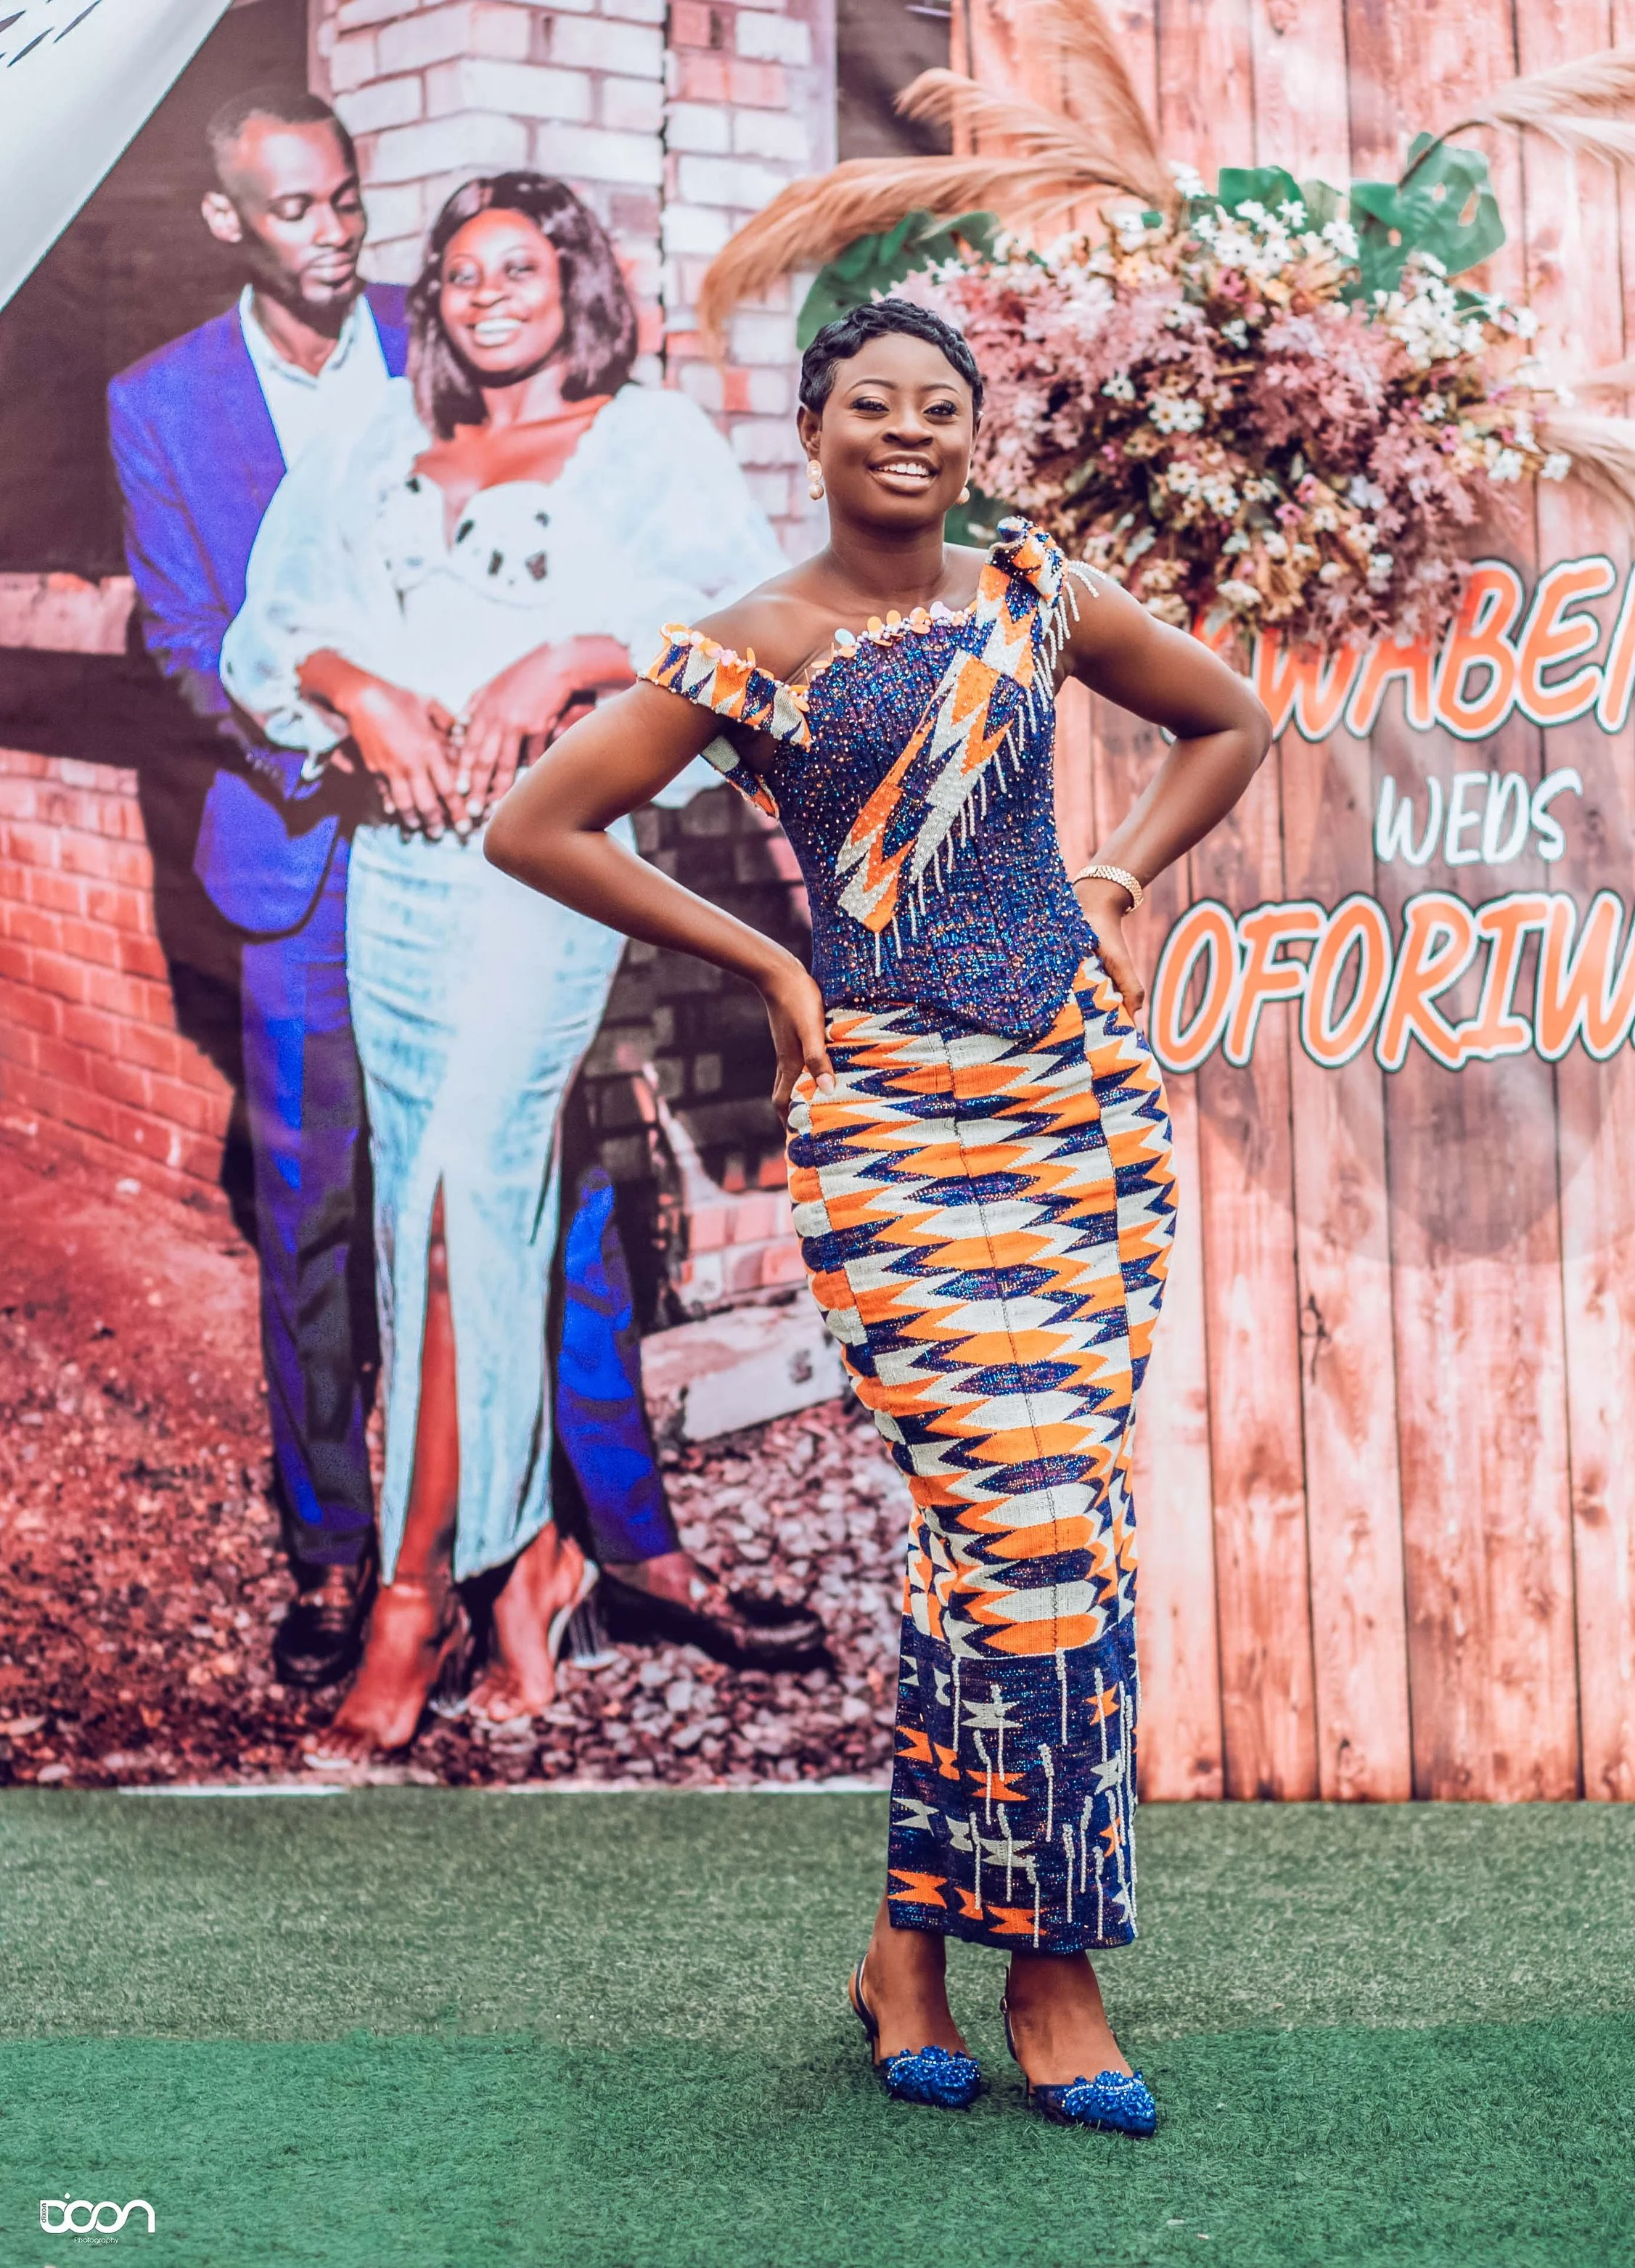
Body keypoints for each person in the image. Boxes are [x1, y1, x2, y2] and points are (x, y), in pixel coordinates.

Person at [484, 298, 1270, 2132]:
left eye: (938, 406)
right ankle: (1054, 1972)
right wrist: (765, 954)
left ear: (970, 432)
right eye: (870, 406)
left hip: (1078, 1109)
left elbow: (1225, 720)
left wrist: (1114, 872)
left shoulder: (1035, 593)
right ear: (813, 427)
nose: (906, 432)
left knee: (1023, 1523)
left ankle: (913, 1950)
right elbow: (541, 823)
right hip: (892, 1115)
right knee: (1012, 1517)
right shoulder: (748, 645)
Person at [221, 172, 820, 1762]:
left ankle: (412, 1593)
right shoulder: (375, 441)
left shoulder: (648, 441)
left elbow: (755, 634)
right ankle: (535, 1562)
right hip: (393, 877)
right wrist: (359, 688)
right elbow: (271, 625)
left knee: (451, 1209)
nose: (484, 293)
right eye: (459, 271)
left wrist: (570, 654)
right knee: (453, 1211)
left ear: (574, 281)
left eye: (517, 266)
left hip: (540, 880)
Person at [108, 86, 408, 1688]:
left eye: (348, 198)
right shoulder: (159, 400)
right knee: (310, 1216)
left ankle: (561, 1529)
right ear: (231, 220)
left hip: (471, 839)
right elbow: (179, 631)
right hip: (297, 848)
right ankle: (332, 1551)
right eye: (296, 208)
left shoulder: (444, 334)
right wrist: (331, 748)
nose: (334, 232)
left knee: (537, 1187)